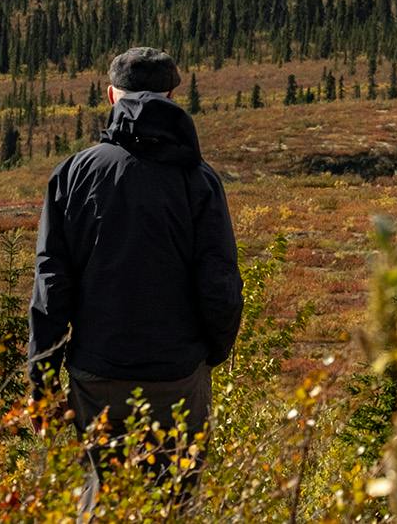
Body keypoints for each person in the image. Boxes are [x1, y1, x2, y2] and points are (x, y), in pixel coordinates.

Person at [29, 47, 244, 517]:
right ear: (172, 96)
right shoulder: (199, 180)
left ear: (111, 96)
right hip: (178, 373)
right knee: (176, 501)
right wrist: (213, 353)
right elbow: (220, 284)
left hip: (96, 372)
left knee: (101, 496)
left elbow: (51, 287)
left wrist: (42, 379)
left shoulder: (73, 174)